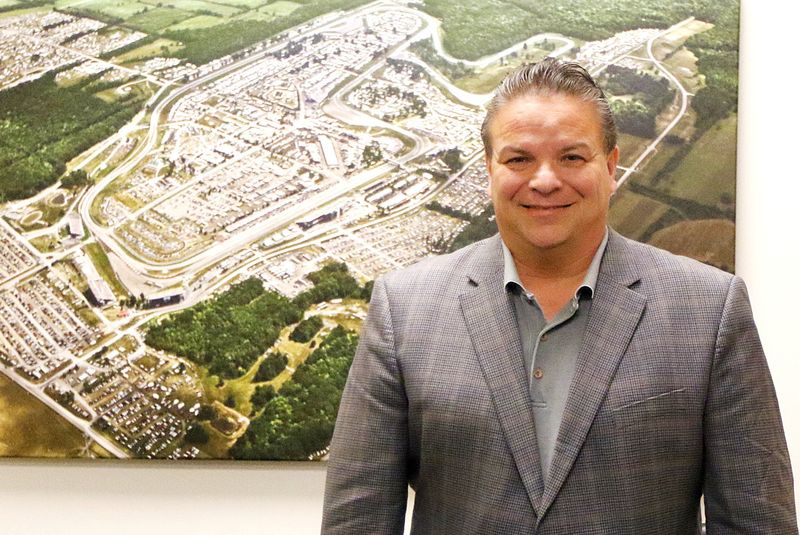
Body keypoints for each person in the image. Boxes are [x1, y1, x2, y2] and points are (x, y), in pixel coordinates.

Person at [321, 58, 797, 534]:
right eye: (518, 159)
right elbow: (356, 521)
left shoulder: (710, 309)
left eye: (572, 157)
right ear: (490, 169)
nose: (545, 180)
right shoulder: (403, 309)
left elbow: (757, 522)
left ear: (610, 167)